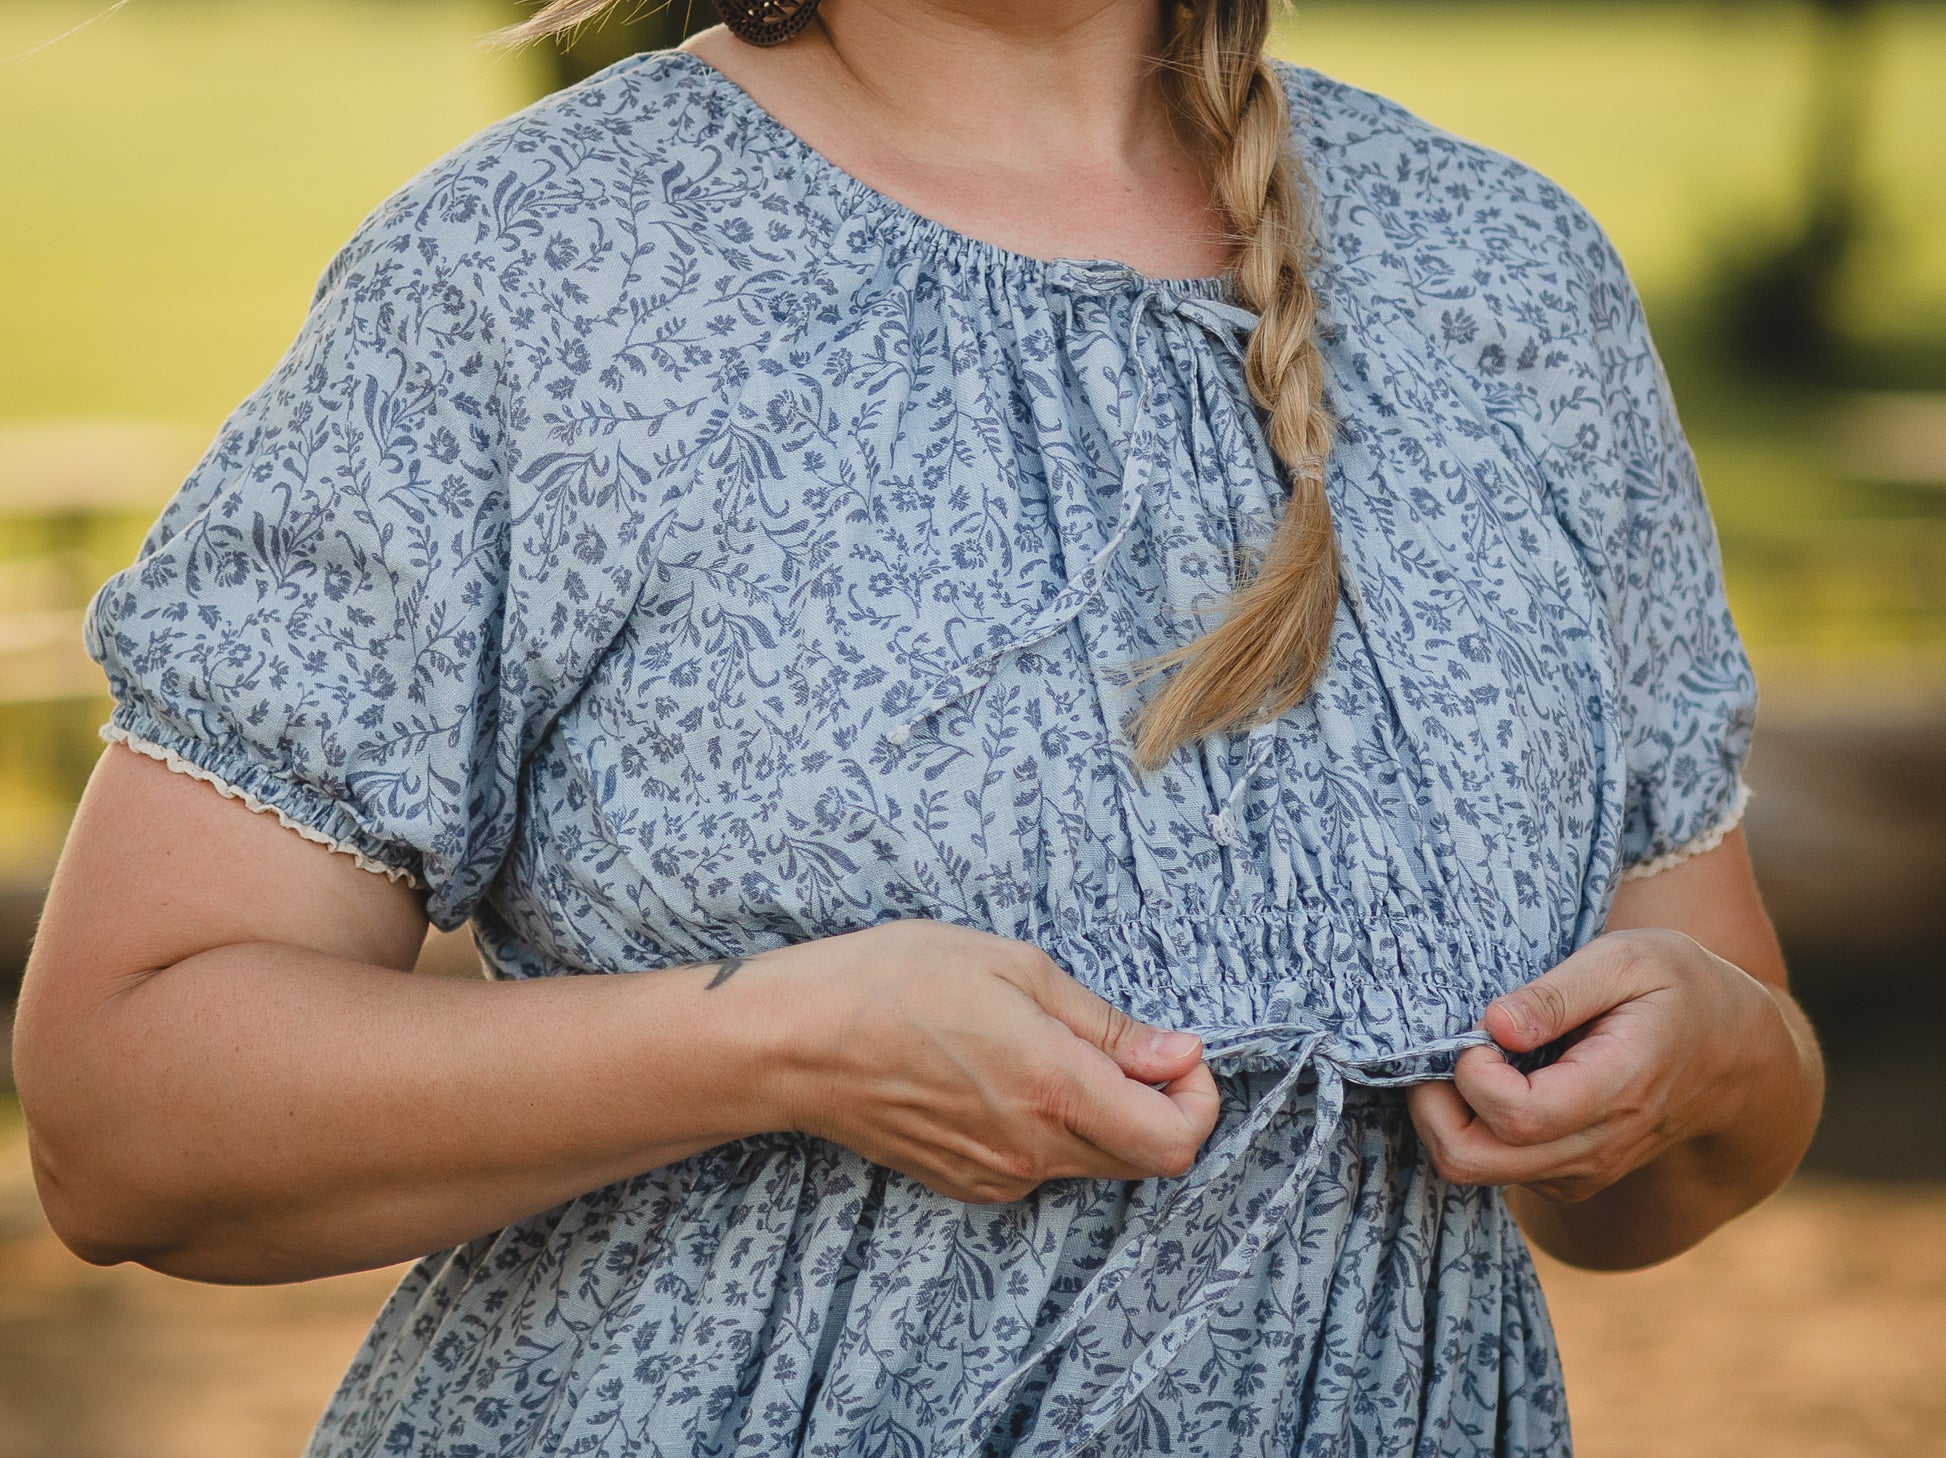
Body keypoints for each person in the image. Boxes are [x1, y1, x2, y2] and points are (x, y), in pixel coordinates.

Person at [13, 1, 1825, 1454]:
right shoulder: (535, 272)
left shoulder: (1508, 281)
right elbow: (123, 1114)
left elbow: (1674, 1152)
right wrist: (782, 1043)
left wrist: (1718, 1062)